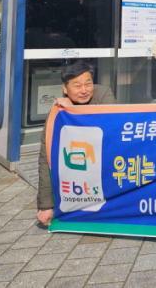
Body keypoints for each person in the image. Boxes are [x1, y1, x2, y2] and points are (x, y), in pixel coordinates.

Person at [36, 61, 116, 226]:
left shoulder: (103, 94)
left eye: (88, 84)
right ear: (65, 89)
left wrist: (74, 111)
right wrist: (46, 205)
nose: (84, 90)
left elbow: (111, 124)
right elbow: (46, 158)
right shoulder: (58, 113)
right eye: (77, 86)